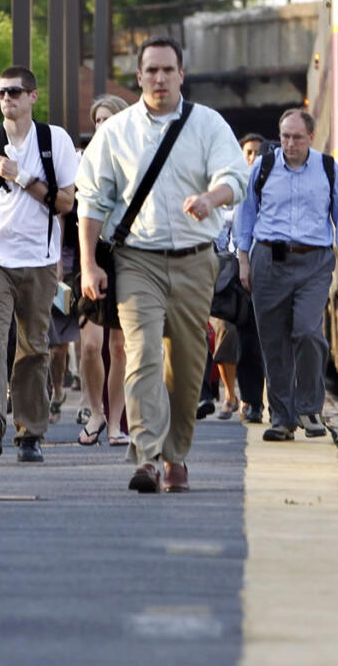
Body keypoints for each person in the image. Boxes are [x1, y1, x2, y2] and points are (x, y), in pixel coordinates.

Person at [76, 36, 247, 493]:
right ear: (138, 77)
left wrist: (212, 198)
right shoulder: (116, 132)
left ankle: (177, 456)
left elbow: (236, 176)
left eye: (167, 70)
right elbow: (91, 199)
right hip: (137, 261)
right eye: (150, 70)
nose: (159, 78)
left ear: (181, 75)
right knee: (142, 353)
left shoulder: (207, 124)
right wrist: (89, 263)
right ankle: (148, 455)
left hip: (195, 260)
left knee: (188, 364)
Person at [235, 108, 338, 442]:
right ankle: (281, 418)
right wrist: (243, 260)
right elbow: (245, 213)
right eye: (284, 136)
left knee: (307, 331)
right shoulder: (263, 168)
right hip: (268, 260)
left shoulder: (327, 169)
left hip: (314, 262)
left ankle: (309, 407)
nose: (289, 143)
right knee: (273, 342)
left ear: (311, 137)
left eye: (296, 137)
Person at [0, 65, 77, 463]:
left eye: (15, 92)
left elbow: (66, 202)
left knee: (34, 347)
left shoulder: (54, 140)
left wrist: (22, 177)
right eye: (1, 93)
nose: (7, 99)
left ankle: (30, 433)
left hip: (41, 260)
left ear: (33, 96)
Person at [76, 95, 130, 447]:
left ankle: (113, 423)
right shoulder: (83, 162)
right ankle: (95, 411)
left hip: (125, 254)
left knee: (120, 345)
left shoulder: (132, 160)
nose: (101, 126)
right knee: (91, 346)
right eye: (97, 121)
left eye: (108, 119)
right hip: (91, 254)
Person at [234, 132, 268, 424]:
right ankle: (252, 401)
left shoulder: (269, 179)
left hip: (267, 263)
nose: (253, 158)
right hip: (241, 268)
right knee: (248, 340)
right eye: (248, 152)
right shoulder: (231, 181)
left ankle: (281, 402)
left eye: (258, 152)